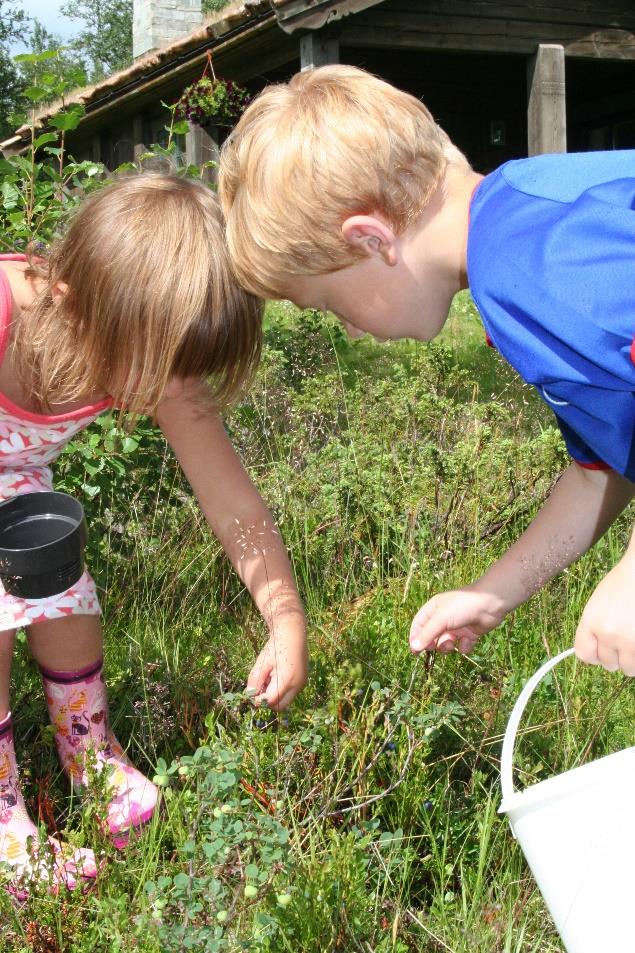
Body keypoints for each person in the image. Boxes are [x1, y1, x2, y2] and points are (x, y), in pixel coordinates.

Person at [218, 65, 635, 678]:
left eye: (331, 306)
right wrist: (492, 593)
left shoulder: (538, 264)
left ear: (370, 240)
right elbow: (602, 468)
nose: (352, 330)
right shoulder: (522, 226)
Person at [0, 173, 307, 895]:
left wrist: (284, 613)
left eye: (179, 374)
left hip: (15, 477)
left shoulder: (145, 340)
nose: (158, 392)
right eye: (150, 369)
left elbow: (230, 497)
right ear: (76, 304)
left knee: (64, 590)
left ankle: (89, 752)